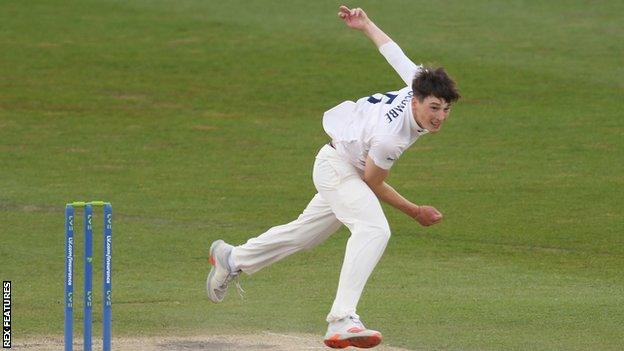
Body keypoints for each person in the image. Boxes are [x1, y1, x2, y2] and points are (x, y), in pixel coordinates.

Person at [206, 5, 460, 349]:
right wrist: (415, 211)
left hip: (346, 163)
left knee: (304, 235)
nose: (440, 117)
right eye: (433, 108)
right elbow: (373, 182)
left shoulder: (418, 83)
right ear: (416, 101)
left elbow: (393, 52)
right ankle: (342, 319)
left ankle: (233, 258)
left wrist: (366, 24)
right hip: (338, 167)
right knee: (373, 229)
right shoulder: (391, 138)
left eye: (445, 109)